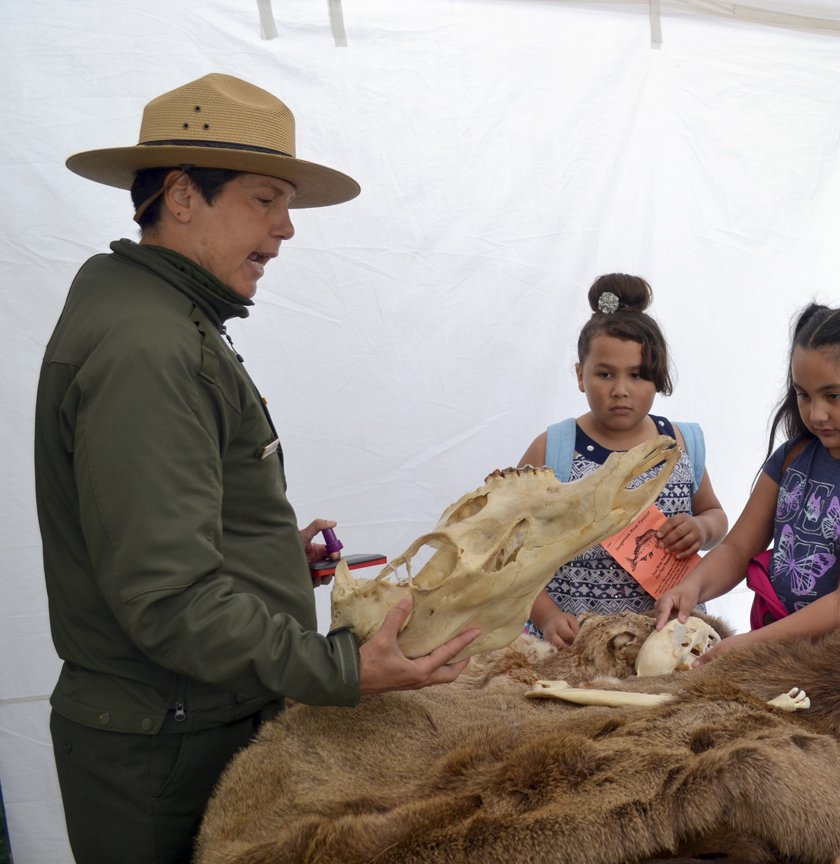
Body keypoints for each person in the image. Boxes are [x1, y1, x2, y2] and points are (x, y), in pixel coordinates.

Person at [37, 74, 480, 863]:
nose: (285, 230)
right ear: (179, 194)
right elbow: (168, 596)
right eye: (266, 200)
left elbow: (152, 532)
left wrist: (267, 552)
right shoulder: (150, 347)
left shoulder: (152, 313)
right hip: (166, 749)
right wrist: (338, 667)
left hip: (174, 727)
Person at [655, 302, 840, 663]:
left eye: (834, 396)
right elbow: (736, 549)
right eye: (803, 394)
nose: (815, 413)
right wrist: (691, 587)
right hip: (779, 648)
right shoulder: (792, 457)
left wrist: (752, 643)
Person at [517, 274, 728, 647]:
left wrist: (701, 529)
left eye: (637, 375)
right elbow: (508, 551)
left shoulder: (681, 444)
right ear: (580, 375)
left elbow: (716, 516)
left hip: (667, 638)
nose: (620, 390)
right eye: (604, 374)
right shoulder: (553, 450)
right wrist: (547, 616)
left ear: (658, 379)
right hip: (576, 642)